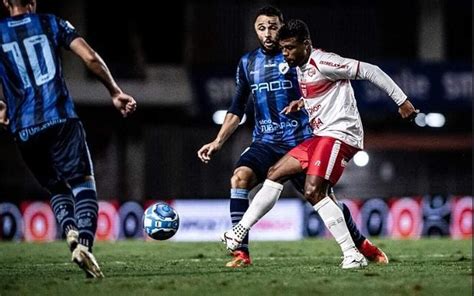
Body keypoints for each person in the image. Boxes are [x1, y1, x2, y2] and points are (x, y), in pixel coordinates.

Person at [198, 7, 388, 268]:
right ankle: (241, 254)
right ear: (255, 31)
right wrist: (218, 141)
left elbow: (321, 85)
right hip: (265, 140)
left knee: (322, 197)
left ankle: (361, 245)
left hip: (301, 138)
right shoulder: (247, 63)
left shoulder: (298, 57)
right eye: (261, 28)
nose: (268, 33)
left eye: (273, 27)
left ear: (283, 27)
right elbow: (237, 107)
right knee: (239, 178)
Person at [0, 0, 137, 278]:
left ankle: (70, 231)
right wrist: (114, 91)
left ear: (5, 4)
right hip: (60, 118)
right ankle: (84, 245)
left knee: (56, 188)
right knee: (82, 184)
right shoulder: (49, 22)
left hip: (24, 129)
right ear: (33, 2)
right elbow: (89, 57)